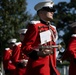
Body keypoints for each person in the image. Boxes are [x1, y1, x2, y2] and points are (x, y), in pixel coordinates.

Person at [21, 1, 60, 75]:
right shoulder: (35, 26)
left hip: (51, 66)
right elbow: (25, 47)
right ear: (41, 13)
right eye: (49, 10)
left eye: (53, 10)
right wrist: (38, 53)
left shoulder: (52, 29)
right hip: (38, 68)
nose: (52, 12)